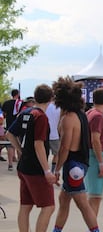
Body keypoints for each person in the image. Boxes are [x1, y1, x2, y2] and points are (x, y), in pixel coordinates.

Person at [6, 84, 57, 232]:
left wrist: (20, 149)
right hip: (36, 169)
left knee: (25, 206)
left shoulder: (25, 113)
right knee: (48, 207)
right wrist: (47, 170)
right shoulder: (41, 117)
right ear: (50, 99)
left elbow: (10, 133)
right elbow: (39, 144)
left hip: (24, 166)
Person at [52, 76, 100, 232]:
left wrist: (57, 169)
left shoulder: (68, 118)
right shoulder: (81, 115)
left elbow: (65, 147)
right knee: (64, 199)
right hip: (80, 163)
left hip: (72, 165)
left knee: (83, 204)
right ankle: (56, 230)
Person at [85, 88, 103, 216]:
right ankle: (92, 227)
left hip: (93, 157)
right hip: (97, 158)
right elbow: (95, 140)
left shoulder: (90, 113)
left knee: (94, 197)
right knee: (95, 197)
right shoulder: (97, 116)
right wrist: (101, 163)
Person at [2, 89, 22, 170]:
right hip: (19, 126)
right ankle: (20, 164)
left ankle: (10, 164)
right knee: (19, 145)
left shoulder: (6, 103)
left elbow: (3, 114)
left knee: (10, 145)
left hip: (9, 126)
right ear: (18, 94)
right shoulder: (20, 103)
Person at [46, 101, 61, 173]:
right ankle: (53, 170)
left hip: (44, 134)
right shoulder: (59, 108)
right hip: (55, 134)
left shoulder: (45, 107)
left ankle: (44, 169)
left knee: (44, 153)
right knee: (56, 154)